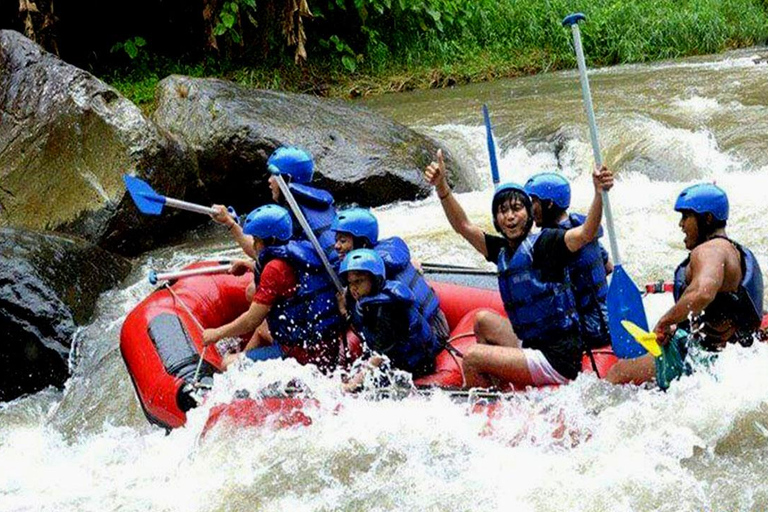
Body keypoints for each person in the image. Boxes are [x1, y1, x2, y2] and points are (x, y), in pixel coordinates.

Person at [424, 149, 614, 389]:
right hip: (532, 344)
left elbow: (586, 233)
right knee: (482, 320)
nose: (510, 217)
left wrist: (598, 193)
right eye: (503, 211)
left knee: (472, 357)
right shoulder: (502, 250)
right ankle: (496, 386)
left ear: (529, 214)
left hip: (557, 358)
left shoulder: (548, 243)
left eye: (517, 209)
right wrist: (442, 187)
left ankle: (483, 408)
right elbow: (463, 226)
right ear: (496, 219)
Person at [606, 183, 764, 389]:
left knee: (618, 372)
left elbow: (702, 292)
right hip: (730, 355)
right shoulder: (732, 250)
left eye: (685, 217)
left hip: (702, 362)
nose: (681, 224)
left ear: (706, 219)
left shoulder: (709, 251)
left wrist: (664, 322)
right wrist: (675, 325)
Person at [203, 204, 345, 371]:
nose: (254, 245)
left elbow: (251, 320)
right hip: (323, 344)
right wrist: (231, 224)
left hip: (302, 354)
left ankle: (242, 371)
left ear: (270, 241)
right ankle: (247, 360)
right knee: (262, 329)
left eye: (256, 240)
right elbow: (262, 257)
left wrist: (216, 334)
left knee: (227, 364)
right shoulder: (302, 247)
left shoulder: (275, 268)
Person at [210, 146, 338, 301]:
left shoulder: (294, 215)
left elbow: (259, 252)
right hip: (329, 280)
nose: (269, 180)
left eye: (273, 175)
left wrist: (230, 224)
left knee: (252, 290)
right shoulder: (318, 205)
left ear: (287, 179)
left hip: (320, 286)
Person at [331, 207, 451, 344]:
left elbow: (369, 330)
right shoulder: (386, 256)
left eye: (343, 241)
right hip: (438, 320)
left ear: (362, 242)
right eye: (336, 240)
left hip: (431, 336)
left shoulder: (375, 277)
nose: (336, 246)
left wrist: (344, 312)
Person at [525, 172, 613, 350]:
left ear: (549, 204)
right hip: (610, 316)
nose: (529, 210)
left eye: (533, 202)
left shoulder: (558, 242)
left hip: (592, 327)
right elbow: (608, 267)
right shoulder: (577, 224)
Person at [337, 249, 443, 390]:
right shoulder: (372, 304)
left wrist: (351, 385)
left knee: (361, 386)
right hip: (398, 359)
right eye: (350, 283)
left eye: (359, 281)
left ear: (374, 280)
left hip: (415, 366)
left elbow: (380, 356)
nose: (353, 288)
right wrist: (344, 311)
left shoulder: (386, 311)